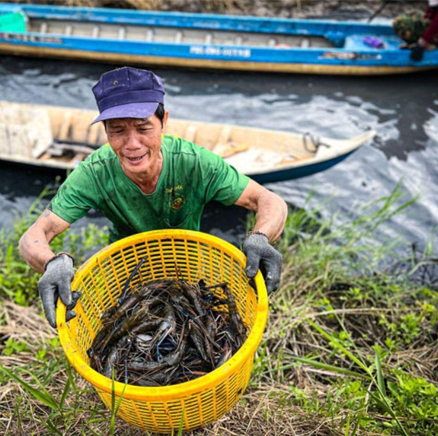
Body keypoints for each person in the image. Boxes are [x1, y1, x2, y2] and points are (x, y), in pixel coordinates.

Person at [19, 67, 288, 328]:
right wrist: (52, 263)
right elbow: (33, 237)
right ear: (106, 132)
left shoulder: (194, 163)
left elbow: (268, 200)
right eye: (118, 130)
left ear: (164, 121)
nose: (132, 144)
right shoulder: (94, 173)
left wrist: (260, 237)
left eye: (143, 128)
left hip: (187, 266)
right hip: (126, 271)